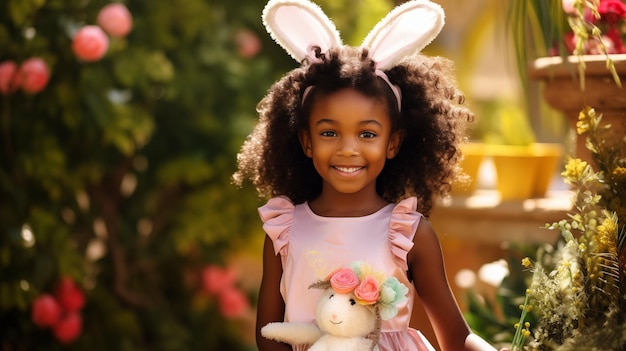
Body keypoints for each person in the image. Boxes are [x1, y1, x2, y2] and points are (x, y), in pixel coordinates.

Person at [233, 0, 502, 350]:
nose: (348, 149)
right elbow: (269, 335)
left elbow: (456, 338)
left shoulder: (408, 233)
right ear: (306, 141)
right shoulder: (284, 231)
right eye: (329, 133)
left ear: (393, 143)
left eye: (367, 134)